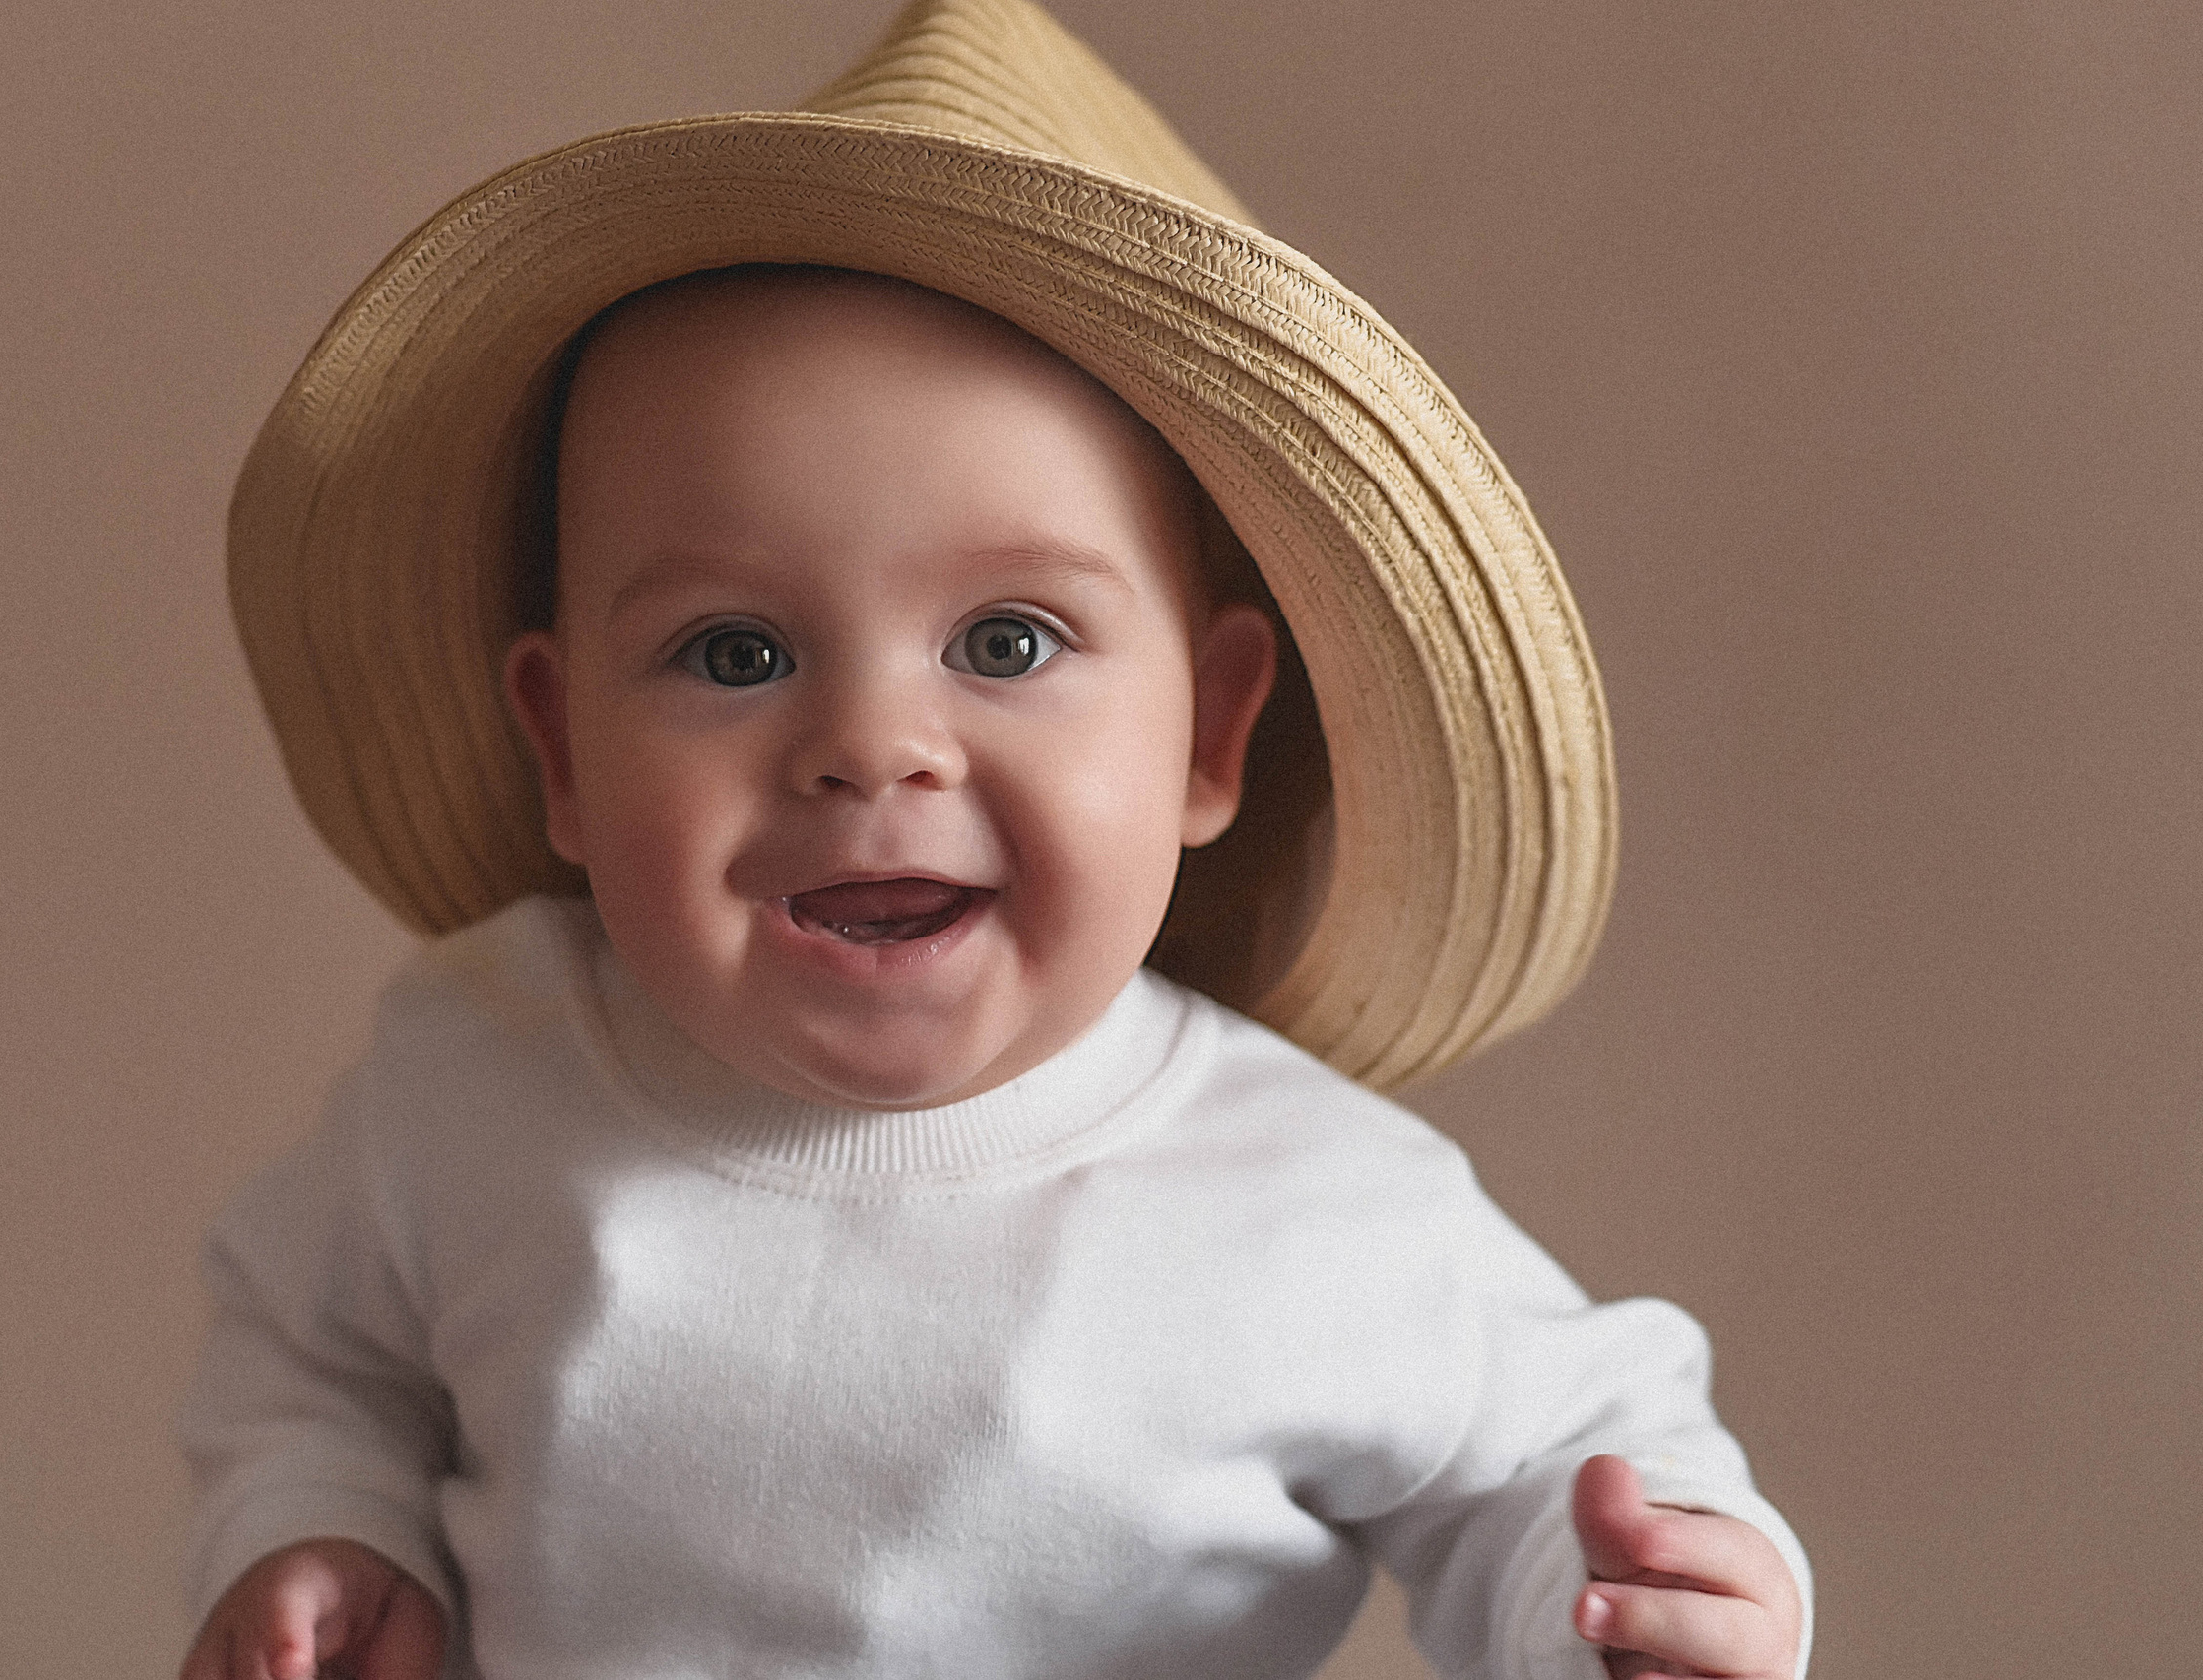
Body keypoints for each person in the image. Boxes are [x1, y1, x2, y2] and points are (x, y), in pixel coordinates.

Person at [180, 6, 1812, 1679]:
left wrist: (1624, 1607)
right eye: (736, 652)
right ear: (566, 753)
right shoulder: (476, 1077)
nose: (871, 744)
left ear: (1212, 732)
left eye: (1010, 640)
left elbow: (1551, 1455)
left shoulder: (1312, 1207)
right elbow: (317, 1361)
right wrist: (327, 1529)